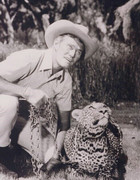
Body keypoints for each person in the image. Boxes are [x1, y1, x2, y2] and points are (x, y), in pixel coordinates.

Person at [0, 19, 98, 175]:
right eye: (70, 46)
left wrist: (55, 155)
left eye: (79, 52)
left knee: (51, 154)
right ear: (57, 44)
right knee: (9, 103)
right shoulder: (30, 58)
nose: (73, 54)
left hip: (18, 120)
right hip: (3, 108)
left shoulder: (65, 80)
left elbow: (64, 124)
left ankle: (12, 149)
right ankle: (2, 160)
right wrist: (26, 92)